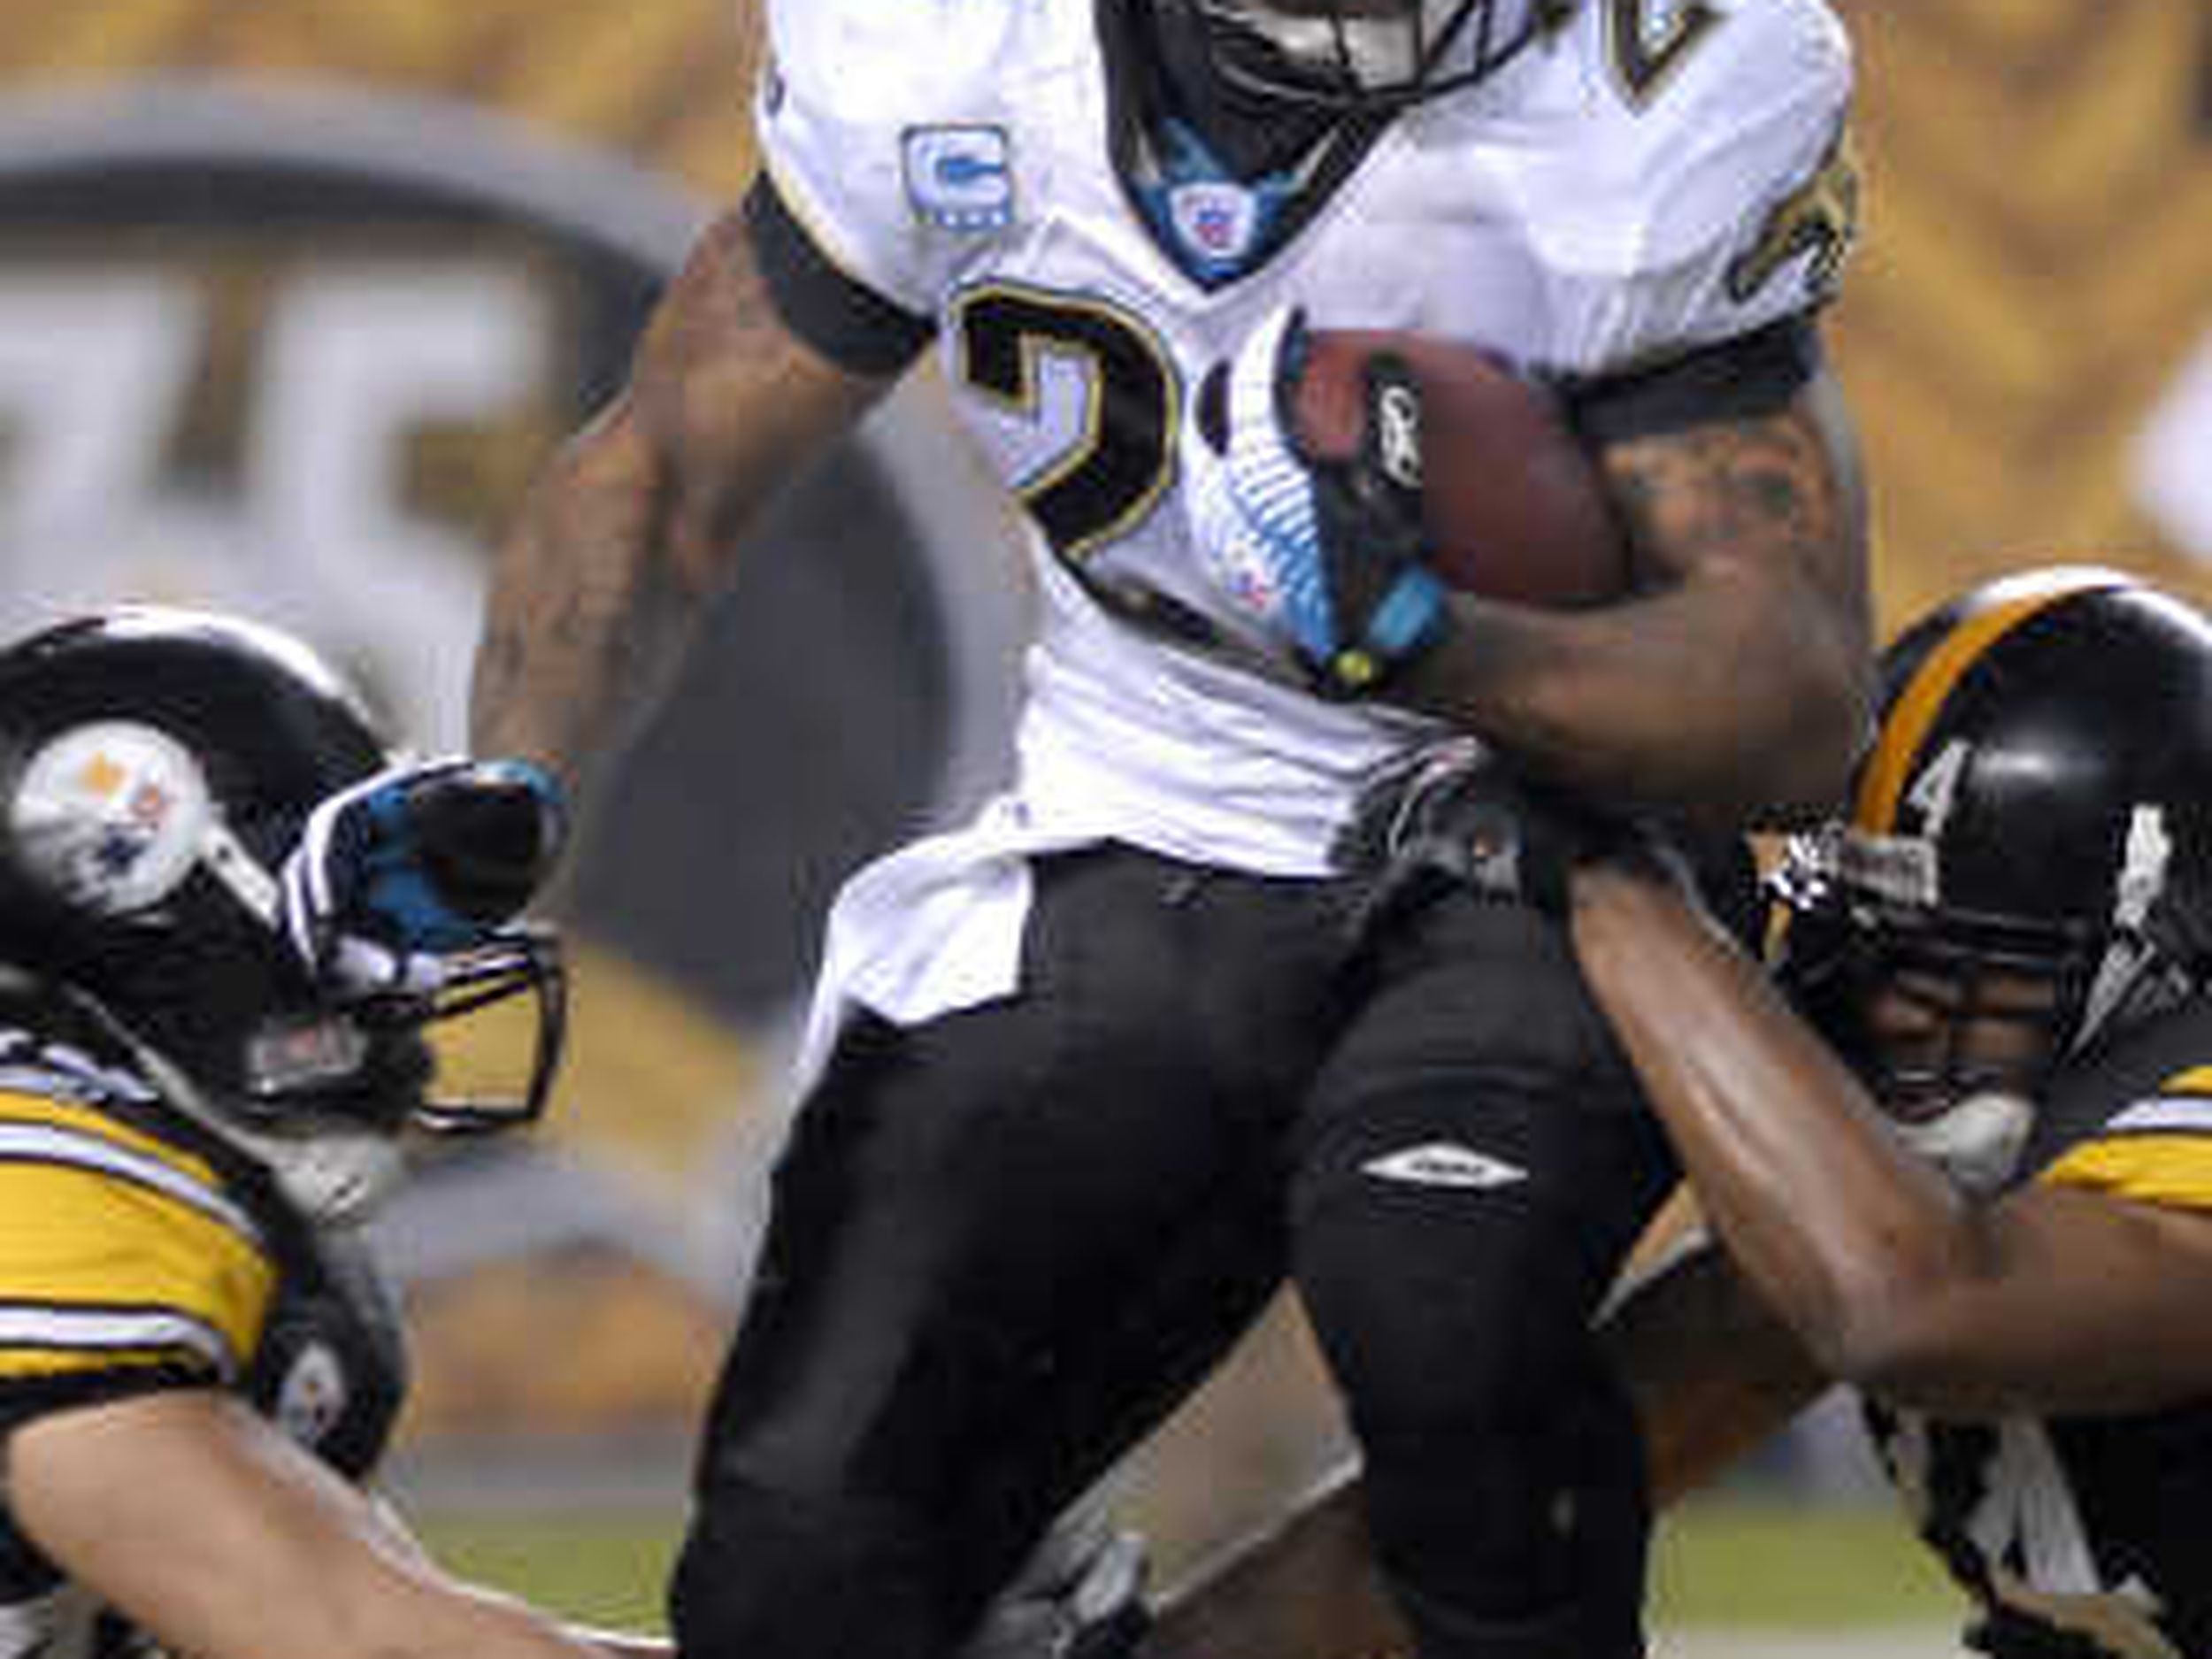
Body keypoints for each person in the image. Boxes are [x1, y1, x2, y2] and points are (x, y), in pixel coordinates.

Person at [469, 1, 1876, 1656]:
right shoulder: (955, 50)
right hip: (1142, 812)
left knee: (1444, 1317)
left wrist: (1435, 642)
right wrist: (504, 812)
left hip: (1540, 836)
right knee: (801, 1556)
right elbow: (663, 476)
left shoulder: (1651, 79)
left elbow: (1789, 703)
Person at [1137, 563, 2212, 1659]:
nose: (1881, 1012)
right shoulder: (1915, 1216)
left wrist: (1612, 884)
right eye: (1868, 946)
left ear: (2161, 961)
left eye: (1952, 976)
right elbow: (1476, 1513)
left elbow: (1910, 1306)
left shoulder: (1966, 1241)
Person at [0, 603, 670, 1659]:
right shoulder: (49, 1185)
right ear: (136, 880)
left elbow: (390, 1615)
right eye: (351, 912)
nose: (405, 971)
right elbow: (360, 1641)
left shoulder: (182, 1176)